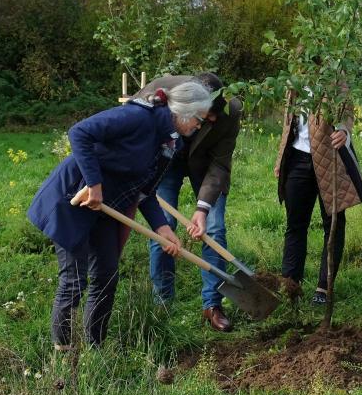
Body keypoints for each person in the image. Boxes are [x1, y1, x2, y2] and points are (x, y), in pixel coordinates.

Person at [28, 81, 213, 349]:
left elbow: (144, 189)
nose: (198, 127)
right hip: (75, 198)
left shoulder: (169, 141)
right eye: (198, 120)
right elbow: (79, 133)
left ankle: (95, 346)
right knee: (74, 280)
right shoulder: (137, 117)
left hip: (105, 207)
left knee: (106, 275)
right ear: (183, 112)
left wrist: (162, 228)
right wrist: (94, 184)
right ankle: (64, 352)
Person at [138, 73, 241, 332]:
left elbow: (220, 163)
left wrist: (202, 209)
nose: (213, 119)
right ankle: (162, 303)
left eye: (215, 114)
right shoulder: (159, 92)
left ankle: (212, 305)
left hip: (206, 166)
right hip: (166, 161)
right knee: (163, 228)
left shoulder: (232, 110)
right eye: (207, 114)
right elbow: (136, 132)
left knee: (214, 229)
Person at [273, 88, 362, 304]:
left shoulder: (335, 75)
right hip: (297, 159)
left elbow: (346, 111)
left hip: (331, 159)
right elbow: (288, 124)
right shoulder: (295, 79)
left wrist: (344, 130)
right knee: (295, 224)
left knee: (333, 224)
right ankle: (290, 285)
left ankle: (324, 287)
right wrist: (281, 159)